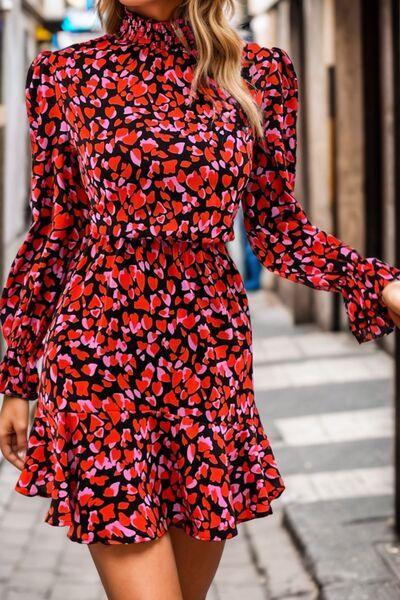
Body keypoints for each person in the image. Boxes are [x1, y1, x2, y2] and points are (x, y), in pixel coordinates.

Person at [1, 1, 400, 598]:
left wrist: (377, 282)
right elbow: (54, 232)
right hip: (98, 355)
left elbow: (277, 228)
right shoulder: (65, 74)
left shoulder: (260, 74)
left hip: (209, 362)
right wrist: (16, 376)